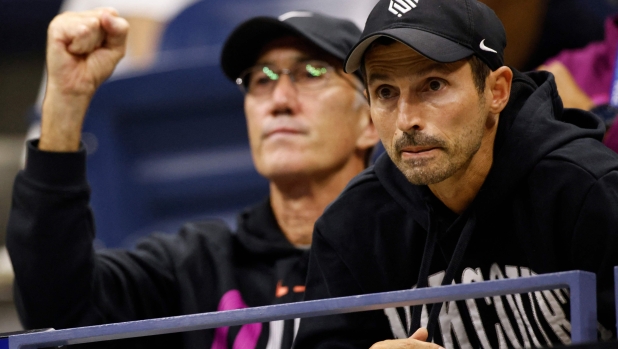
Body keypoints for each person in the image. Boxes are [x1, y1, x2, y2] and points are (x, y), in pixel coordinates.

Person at [6, 8, 379, 349]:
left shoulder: (416, 257)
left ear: (370, 121)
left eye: (312, 72)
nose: (279, 99)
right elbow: (57, 310)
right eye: (261, 78)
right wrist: (67, 101)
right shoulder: (195, 266)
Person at [294, 0, 618, 348]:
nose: (406, 121)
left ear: (497, 91)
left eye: (433, 85)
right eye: (385, 92)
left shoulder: (590, 192)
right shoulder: (352, 226)